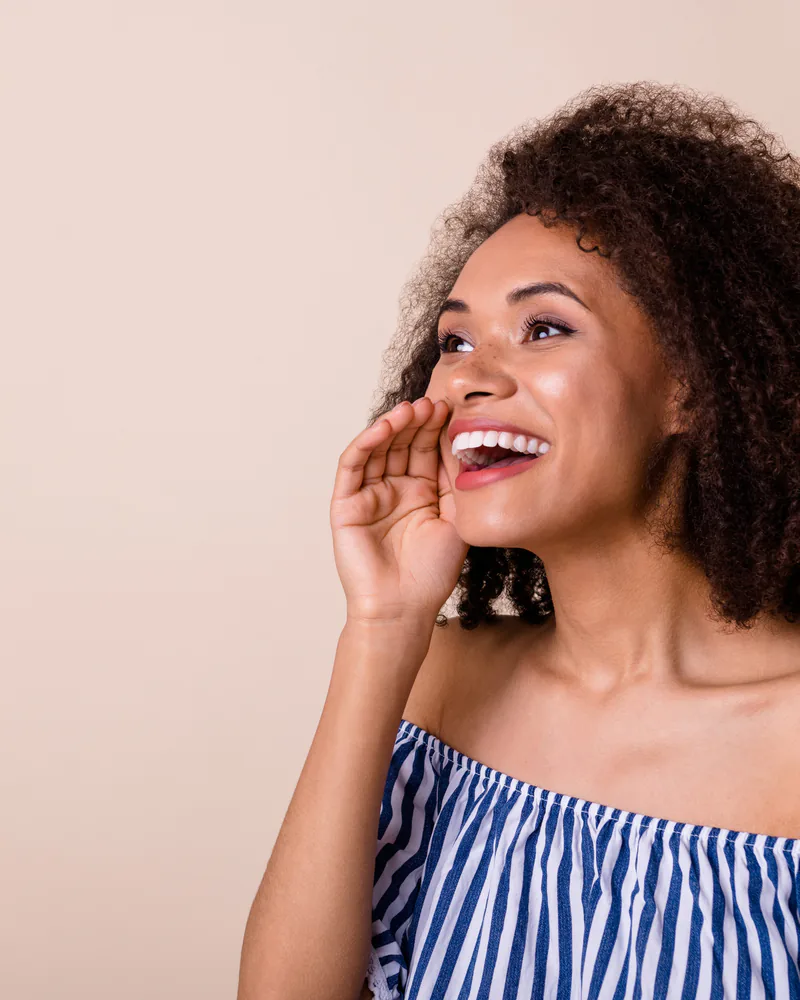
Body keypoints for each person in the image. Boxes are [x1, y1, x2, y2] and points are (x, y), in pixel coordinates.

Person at [237, 80, 800, 1000]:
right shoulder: (437, 682)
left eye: (544, 328)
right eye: (455, 343)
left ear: (695, 385)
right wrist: (380, 627)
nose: (468, 381)